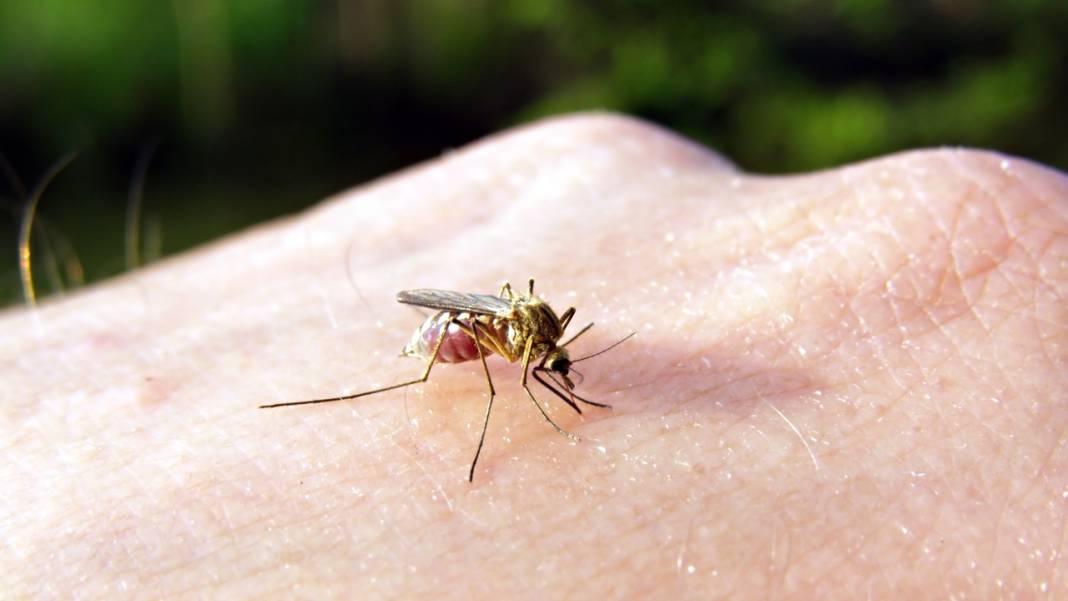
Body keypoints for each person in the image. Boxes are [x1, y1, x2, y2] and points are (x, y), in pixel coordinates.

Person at [3, 113, 1065, 598]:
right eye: (551, 353)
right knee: (469, 362)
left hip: (490, 315)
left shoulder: (544, 335)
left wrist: (556, 365)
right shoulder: (500, 334)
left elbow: (544, 346)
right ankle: (387, 384)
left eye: (554, 354)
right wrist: (501, 362)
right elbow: (497, 337)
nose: (557, 361)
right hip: (447, 329)